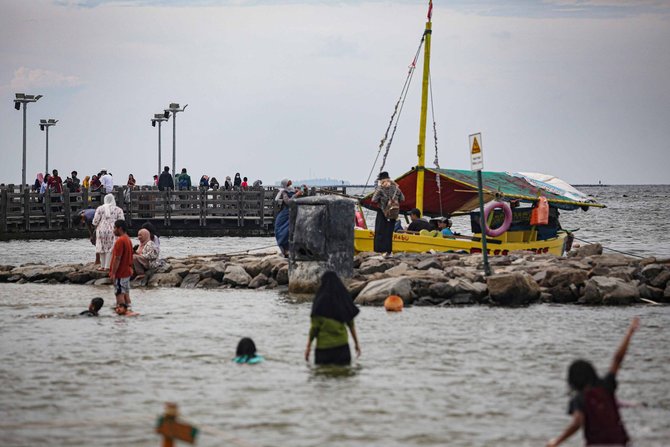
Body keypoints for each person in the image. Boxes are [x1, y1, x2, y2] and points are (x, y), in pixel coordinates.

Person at [547, 317, 640, 447]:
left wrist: (557, 441)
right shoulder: (606, 386)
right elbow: (617, 359)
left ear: (572, 381)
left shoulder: (579, 399)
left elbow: (577, 423)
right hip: (620, 443)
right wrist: (629, 333)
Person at [305, 271, 361, 365]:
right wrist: (356, 344)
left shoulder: (319, 304)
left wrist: (308, 347)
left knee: (322, 376)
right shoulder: (343, 301)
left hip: (323, 349)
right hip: (342, 347)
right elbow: (351, 326)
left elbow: (314, 329)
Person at [371, 171, 404, 254]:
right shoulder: (396, 188)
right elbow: (403, 199)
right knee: (389, 233)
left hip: (383, 212)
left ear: (381, 180)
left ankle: (379, 250)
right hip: (393, 213)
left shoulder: (381, 188)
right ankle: (389, 251)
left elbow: (373, 199)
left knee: (380, 232)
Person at [92, 194, 125, 270]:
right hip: (114, 229)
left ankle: (102, 266)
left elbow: (95, 221)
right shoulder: (118, 209)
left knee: (102, 246)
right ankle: (108, 266)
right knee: (111, 247)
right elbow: (122, 221)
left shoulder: (100, 208)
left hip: (101, 229)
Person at [274, 178, 304, 257]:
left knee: (289, 230)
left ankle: (290, 249)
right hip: (285, 213)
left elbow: (302, 192)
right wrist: (297, 194)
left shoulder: (293, 190)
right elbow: (288, 202)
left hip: (293, 212)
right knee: (279, 228)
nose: (290, 184)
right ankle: (284, 249)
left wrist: (303, 188)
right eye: (288, 183)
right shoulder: (284, 192)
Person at [110, 219, 133, 308]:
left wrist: (113, 273)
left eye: (114, 227)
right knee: (126, 294)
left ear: (119, 228)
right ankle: (129, 311)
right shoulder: (128, 239)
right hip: (127, 272)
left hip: (121, 273)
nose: (113, 230)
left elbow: (117, 258)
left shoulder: (120, 241)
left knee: (119, 293)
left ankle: (120, 317)